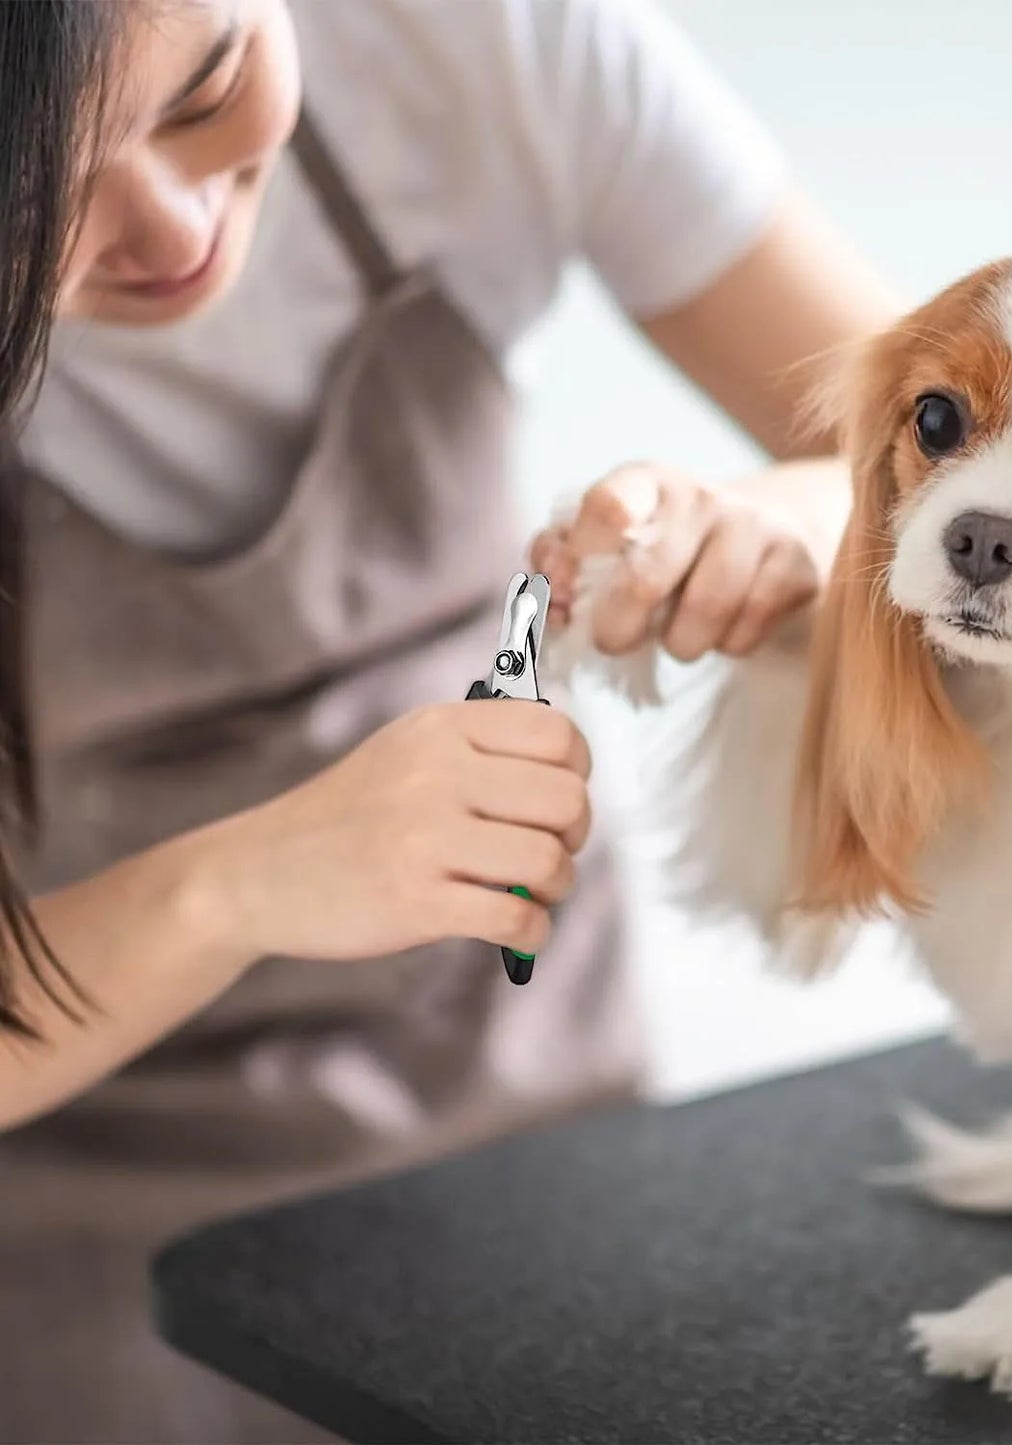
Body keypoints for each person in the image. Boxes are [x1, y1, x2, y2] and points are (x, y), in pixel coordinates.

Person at [0, 1, 896, 1440]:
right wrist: (243, 881)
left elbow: (927, 448)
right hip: (90, 1251)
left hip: (536, 1146)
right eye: (30, 201)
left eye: (207, 89)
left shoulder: (480, 38)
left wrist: (776, 525)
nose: (171, 232)